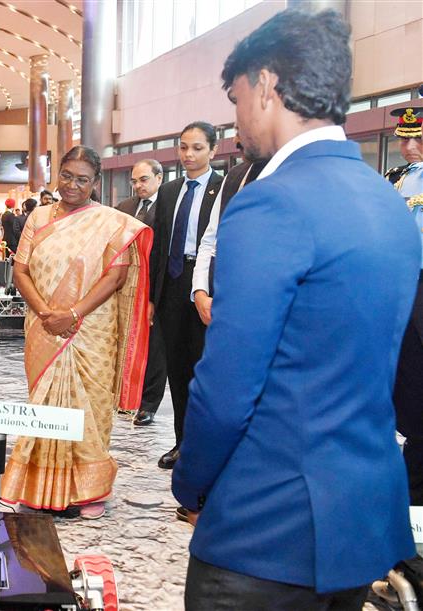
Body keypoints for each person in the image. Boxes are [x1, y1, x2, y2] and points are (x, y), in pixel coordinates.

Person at [172, 10, 419, 609]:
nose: (235, 121)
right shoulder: (390, 204)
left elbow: (228, 386)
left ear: (265, 85)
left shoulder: (271, 205)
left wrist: (192, 482)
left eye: (235, 99)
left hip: (267, 526)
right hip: (358, 520)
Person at [0, 146, 153, 520]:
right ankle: (38, 487)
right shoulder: (37, 217)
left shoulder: (111, 223)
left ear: (95, 182)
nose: (72, 185)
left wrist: (72, 313)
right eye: (66, 176)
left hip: (91, 328)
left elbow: (115, 276)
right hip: (43, 326)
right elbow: (20, 272)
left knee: (90, 408)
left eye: (82, 179)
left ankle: (87, 490)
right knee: (45, 405)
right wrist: (46, 312)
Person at [150, 123, 223, 468]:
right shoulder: (168, 191)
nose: (188, 155)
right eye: (183, 148)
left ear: (213, 150)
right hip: (173, 284)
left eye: (197, 148)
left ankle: (205, 448)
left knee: (204, 371)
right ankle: (181, 443)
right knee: (177, 371)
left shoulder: (225, 188)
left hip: (207, 287)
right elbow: (158, 247)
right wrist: (152, 297)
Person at [191, 135, 267, 327]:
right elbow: (210, 239)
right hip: (218, 298)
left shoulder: (289, 176)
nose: (236, 140)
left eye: (242, 130)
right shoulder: (235, 176)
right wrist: (200, 292)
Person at [387, 104, 423, 506]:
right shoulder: (395, 179)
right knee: (407, 380)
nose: (409, 146)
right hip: (399, 287)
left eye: (417, 138)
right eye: (404, 138)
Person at [116, 159, 167, 426]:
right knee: (125, 342)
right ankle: (124, 398)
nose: (138, 186)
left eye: (144, 180)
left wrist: (155, 299)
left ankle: (148, 404)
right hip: (125, 286)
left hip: (155, 287)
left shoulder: (168, 206)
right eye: (134, 181)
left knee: (155, 346)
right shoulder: (124, 208)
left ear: (159, 178)